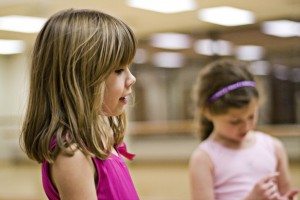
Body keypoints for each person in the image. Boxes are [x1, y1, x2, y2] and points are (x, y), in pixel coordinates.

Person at [20, 8, 139, 200]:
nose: (131, 78)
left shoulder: (100, 139)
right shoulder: (72, 156)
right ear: (81, 79)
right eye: (118, 70)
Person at [189, 59, 298, 200]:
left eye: (251, 116)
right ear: (208, 112)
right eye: (235, 121)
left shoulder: (273, 147)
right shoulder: (204, 158)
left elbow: (287, 194)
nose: (246, 127)